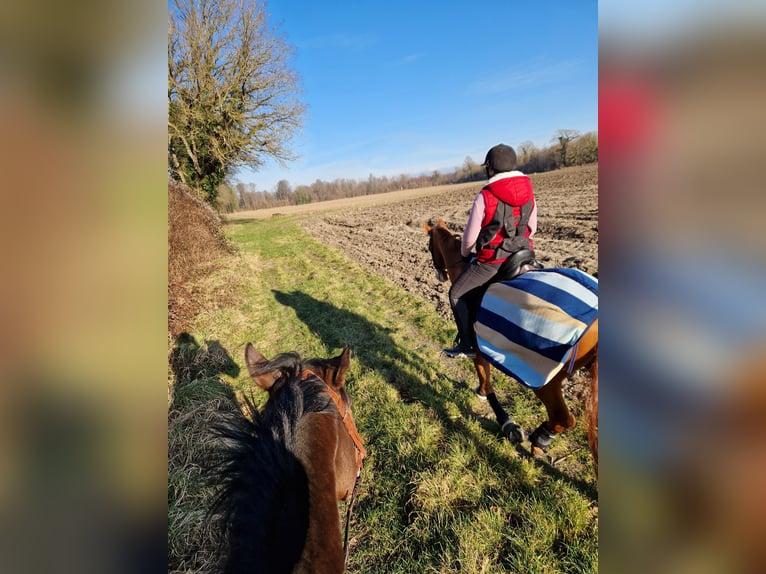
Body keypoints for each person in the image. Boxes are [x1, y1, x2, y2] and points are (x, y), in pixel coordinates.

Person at [443, 143, 538, 358]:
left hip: (492, 262)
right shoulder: (529, 191)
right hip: (524, 255)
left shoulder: (485, 196)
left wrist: (466, 255)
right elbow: (532, 228)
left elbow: (469, 238)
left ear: (490, 169)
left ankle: (467, 345)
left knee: (456, 294)